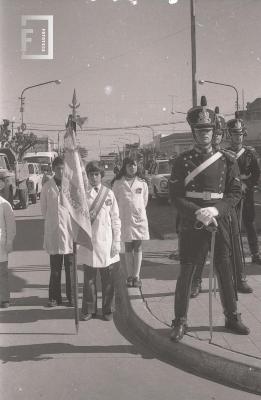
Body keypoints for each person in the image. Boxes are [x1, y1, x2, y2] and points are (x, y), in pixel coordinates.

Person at [169, 96, 249, 342]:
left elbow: (235, 192)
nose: (204, 134)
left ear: (214, 131)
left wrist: (216, 210)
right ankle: (180, 321)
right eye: (199, 129)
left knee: (225, 270)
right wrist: (197, 212)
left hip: (219, 220)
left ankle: (232, 316)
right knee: (186, 273)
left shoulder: (227, 160)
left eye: (208, 129)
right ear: (193, 131)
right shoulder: (182, 161)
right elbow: (175, 195)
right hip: (193, 222)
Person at [190, 107, 253, 297]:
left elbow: (234, 184)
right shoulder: (201, 157)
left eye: (219, 134)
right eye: (214, 133)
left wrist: (240, 186)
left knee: (233, 244)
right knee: (200, 248)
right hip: (205, 208)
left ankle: (240, 279)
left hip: (226, 208)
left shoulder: (228, 158)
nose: (216, 137)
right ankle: (196, 281)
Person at [78, 161, 121, 321]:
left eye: (97, 174)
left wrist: (116, 241)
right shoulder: (82, 194)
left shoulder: (108, 193)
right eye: (91, 174)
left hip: (106, 242)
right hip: (89, 243)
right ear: (87, 176)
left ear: (101, 176)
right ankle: (89, 309)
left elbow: (116, 218)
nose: (94, 177)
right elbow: (77, 219)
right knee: (89, 279)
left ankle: (108, 309)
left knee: (108, 280)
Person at [226, 113, 261, 265]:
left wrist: (248, 184)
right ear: (230, 135)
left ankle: (255, 253)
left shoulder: (250, 153)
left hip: (246, 194)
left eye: (240, 134)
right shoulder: (226, 154)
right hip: (232, 195)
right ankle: (233, 255)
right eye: (235, 134)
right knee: (232, 225)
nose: (238, 137)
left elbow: (256, 173)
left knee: (250, 223)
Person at [40, 156, 74, 307]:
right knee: (55, 269)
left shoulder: (72, 186)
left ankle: (71, 297)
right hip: (54, 232)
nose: (60, 171)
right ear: (53, 169)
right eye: (58, 168)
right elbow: (44, 210)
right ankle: (54, 297)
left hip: (70, 233)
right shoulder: (47, 187)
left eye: (63, 168)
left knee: (70, 268)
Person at [112, 157, 149, 288]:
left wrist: (137, 211)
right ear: (124, 167)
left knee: (138, 246)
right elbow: (114, 202)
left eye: (134, 165)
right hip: (125, 219)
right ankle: (129, 276)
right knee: (128, 247)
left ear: (137, 167)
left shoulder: (142, 183)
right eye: (129, 165)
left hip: (139, 220)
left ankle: (136, 276)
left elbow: (144, 202)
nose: (132, 168)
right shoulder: (118, 183)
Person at [0, 195, 16, 308]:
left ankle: (4, 299)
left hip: (1, 243)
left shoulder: (4, 204)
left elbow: (11, 226)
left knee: (2, 272)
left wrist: (9, 242)